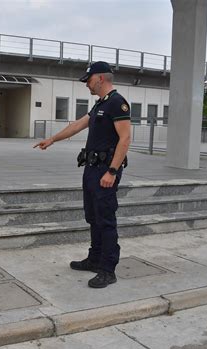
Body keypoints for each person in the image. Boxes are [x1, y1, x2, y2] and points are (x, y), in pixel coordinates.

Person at [33, 61, 131, 288]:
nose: (86, 84)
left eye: (88, 80)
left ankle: (108, 269)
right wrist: (52, 139)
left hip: (106, 170)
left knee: (106, 219)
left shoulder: (118, 103)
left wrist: (112, 171)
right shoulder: (100, 105)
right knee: (93, 216)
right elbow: (78, 125)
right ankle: (94, 259)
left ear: (100, 78)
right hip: (91, 168)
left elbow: (125, 139)